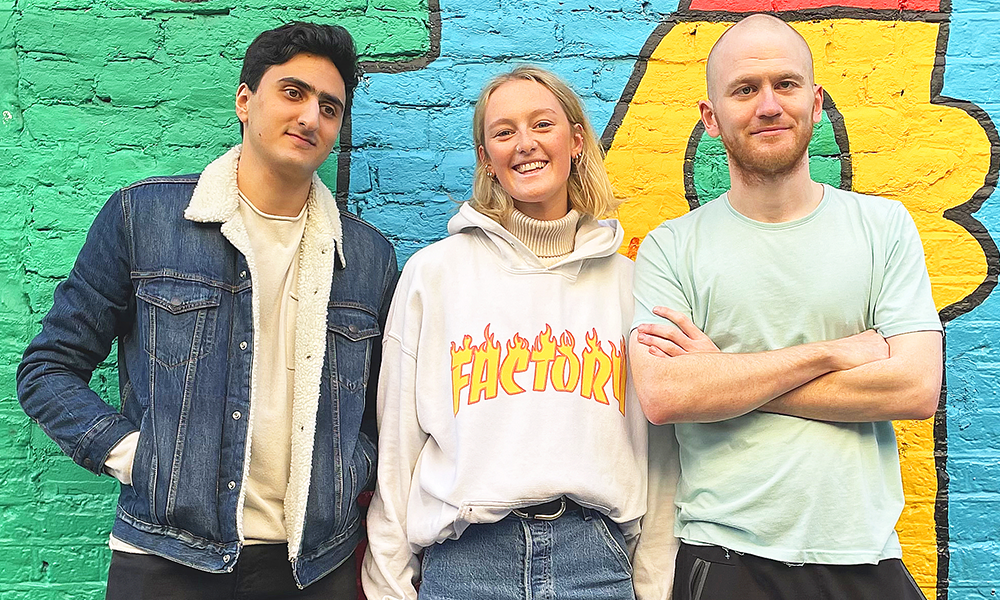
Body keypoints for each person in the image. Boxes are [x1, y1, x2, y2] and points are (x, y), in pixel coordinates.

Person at [17, 22, 397, 600]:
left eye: (329, 107)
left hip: (315, 566)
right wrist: (139, 456)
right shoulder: (143, 218)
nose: (310, 118)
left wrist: (352, 469)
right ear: (245, 100)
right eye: (292, 93)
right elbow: (48, 368)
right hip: (166, 557)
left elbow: (383, 407)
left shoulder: (367, 257)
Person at [629, 14, 942, 600]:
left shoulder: (883, 227)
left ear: (815, 101)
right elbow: (668, 395)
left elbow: (915, 389)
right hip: (725, 559)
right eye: (745, 90)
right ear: (711, 117)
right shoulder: (671, 247)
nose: (768, 104)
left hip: (864, 555)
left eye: (786, 84)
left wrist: (725, 374)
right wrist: (835, 353)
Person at [361, 65, 648, 600]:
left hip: (595, 561)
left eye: (543, 124)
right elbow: (398, 443)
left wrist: (654, 582)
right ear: (486, 160)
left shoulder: (628, 285)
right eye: (503, 131)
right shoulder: (434, 274)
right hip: (467, 562)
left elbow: (654, 450)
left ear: (576, 141)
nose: (525, 144)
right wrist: (389, 582)